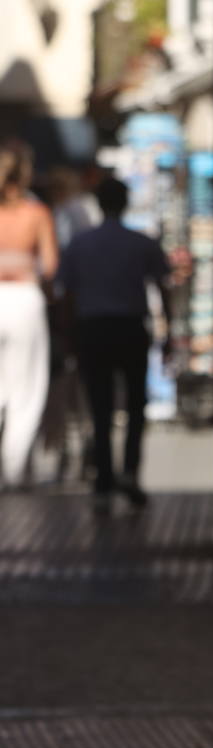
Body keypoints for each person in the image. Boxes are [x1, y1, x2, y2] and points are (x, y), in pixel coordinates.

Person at [56, 178, 171, 512]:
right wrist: (168, 334)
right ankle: (130, 473)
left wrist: (69, 335)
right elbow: (162, 288)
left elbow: (67, 293)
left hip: (94, 330)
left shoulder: (81, 244)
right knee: (136, 405)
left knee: (100, 406)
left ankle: (104, 480)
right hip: (131, 328)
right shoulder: (141, 243)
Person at [0, 143, 58, 489]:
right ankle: (11, 469)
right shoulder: (36, 213)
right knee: (25, 390)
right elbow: (50, 266)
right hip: (23, 300)